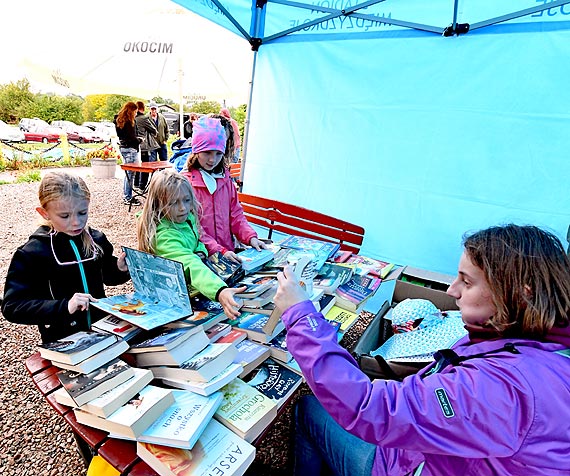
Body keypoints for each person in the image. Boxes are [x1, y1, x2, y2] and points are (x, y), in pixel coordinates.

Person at [273, 224, 570, 476]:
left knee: (309, 409)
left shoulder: (501, 389)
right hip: (440, 457)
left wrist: (301, 316)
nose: (452, 291)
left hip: (411, 465)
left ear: (520, 292)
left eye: (466, 282)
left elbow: (369, 408)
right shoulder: (539, 345)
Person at [1, 172, 130, 343]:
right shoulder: (33, 253)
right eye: (65, 216)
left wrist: (119, 268)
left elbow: (108, 276)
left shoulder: (96, 239)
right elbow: (12, 306)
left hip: (104, 331)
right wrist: (64, 306)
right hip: (63, 341)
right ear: (44, 213)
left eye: (82, 213)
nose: (76, 222)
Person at [136, 169, 244, 319]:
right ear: (158, 204)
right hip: (172, 300)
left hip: (193, 289)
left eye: (187, 200)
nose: (183, 208)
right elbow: (190, 264)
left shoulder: (184, 219)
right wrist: (219, 291)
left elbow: (197, 241)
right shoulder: (165, 236)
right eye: (174, 202)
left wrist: (201, 252)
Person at [181, 116, 265, 263]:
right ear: (196, 150)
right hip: (201, 258)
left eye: (218, 153)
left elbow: (236, 215)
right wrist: (219, 250)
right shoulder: (185, 184)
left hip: (228, 256)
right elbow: (192, 227)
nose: (212, 160)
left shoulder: (226, 180)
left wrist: (251, 237)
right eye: (207, 152)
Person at [113, 101, 141, 205]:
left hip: (123, 148)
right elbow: (131, 138)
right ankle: (128, 197)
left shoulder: (119, 120)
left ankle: (127, 195)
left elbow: (123, 136)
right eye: (135, 111)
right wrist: (139, 140)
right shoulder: (129, 122)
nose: (136, 114)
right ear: (131, 111)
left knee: (128, 173)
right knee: (130, 174)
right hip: (130, 149)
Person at [134, 101, 159, 191]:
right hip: (143, 145)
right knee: (145, 166)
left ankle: (136, 184)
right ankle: (142, 186)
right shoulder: (143, 118)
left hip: (134, 145)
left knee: (136, 165)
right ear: (143, 108)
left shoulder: (133, 118)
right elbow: (153, 130)